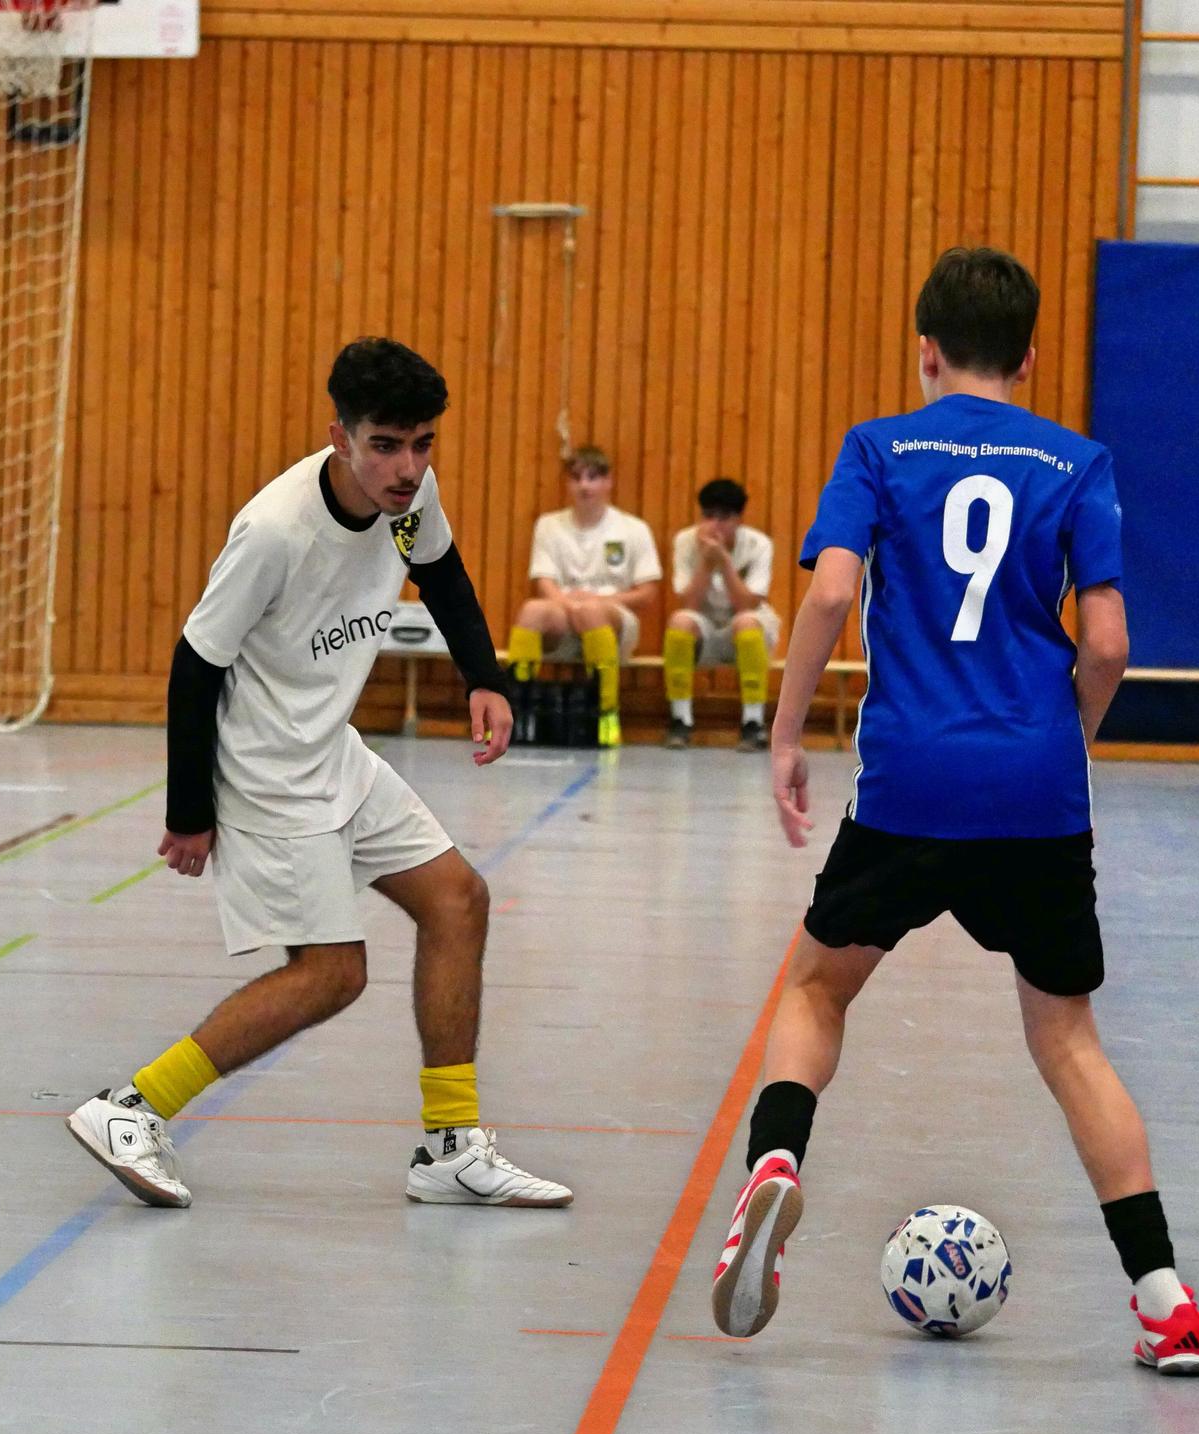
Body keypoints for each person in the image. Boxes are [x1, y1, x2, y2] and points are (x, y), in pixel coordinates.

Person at [706, 247, 1199, 1376]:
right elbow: (1111, 641)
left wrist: (786, 735)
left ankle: (777, 1163)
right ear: (1030, 355)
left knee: (813, 985)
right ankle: (1167, 1299)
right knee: (1070, 1039)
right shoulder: (1078, 460)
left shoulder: (880, 447)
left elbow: (832, 589)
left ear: (924, 349)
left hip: (908, 781)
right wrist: (1063, 742)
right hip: (1034, 786)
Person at [67, 338, 573, 1210]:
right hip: (264, 774)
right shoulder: (273, 531)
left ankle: (452, 1148)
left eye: (422, 444)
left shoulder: (409, 499)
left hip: (333, 751)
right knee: (332, 971)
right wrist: (189, 812)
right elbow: (194, 666)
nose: (407, 467)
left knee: (459, 900)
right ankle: (133, 1108)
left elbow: (440, 568)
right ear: (339, 436)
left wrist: (484, 677)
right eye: (385, 445)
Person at [505, 446, 662, 746]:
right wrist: (570, 604)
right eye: (577, 478)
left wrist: (598, 602)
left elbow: (647, 593)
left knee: (591, 611)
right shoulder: (550, 525)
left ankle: (606, 712)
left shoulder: (633, 528)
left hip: (615, 621)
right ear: (568, 483)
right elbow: (544, 581)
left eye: (593, 477)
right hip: (565, 613)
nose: (584, 486)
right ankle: (515, 712)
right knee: (532, 610)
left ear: (608, 482)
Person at [664, 480, 780, 750]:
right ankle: (680, 719)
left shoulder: (758, 544)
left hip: (747, 622)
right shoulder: (685, 541)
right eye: (709, 516)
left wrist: (725, 561)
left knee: (745, 622)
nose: (715, 525)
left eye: (724, 518)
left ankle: (753, 722)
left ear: (739, 519)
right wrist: (707, 560)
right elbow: (690, 603)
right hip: (704, 622)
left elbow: (747, 604)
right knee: (679, 621)